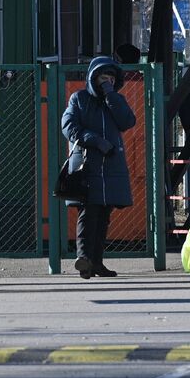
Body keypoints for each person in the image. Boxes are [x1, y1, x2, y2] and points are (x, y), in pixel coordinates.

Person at [61, 56, 136, 278]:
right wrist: (94, 140)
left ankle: (97, 263)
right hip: (86, 166)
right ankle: (84, 259)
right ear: (94, 78)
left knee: (103, 214)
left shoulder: (116, 100)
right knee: (88, 211)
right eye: (104, 77)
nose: (108, 82)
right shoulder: (79, 99)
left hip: (111, 166)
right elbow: (69, 126)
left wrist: (111, 95)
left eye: (112, 78)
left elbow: (127, 121)